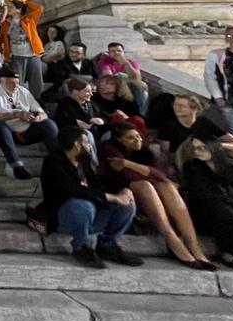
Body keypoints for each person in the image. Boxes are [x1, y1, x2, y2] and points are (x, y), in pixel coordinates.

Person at [101, 122, 215, 270]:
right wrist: (143, 171)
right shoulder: (109, 148)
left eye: (138, 136)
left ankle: (193, 245)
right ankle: (173, 241)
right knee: (145, 185)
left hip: (150, 189)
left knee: (166, 185)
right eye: (130, 138)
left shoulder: (144, 151)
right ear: (119, 140)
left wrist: (128, 163)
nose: (137, 141)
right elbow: (127, 176)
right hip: (122, 190)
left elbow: (161, 175)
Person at [39, 126, 143, 269]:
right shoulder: (53, 163)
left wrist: (124, 190)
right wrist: (114, 197)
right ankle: (81, 246)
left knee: (127, 203)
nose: (90, 146)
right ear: (77, 144)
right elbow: (75, 190)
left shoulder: (83, 162)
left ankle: (107, 244)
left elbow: (96, 185)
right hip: (64, 217)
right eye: (87, 142)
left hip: (90, 216)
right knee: (82, 204)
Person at [0, 66, 58, 179]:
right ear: (2, 81)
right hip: (3, 132)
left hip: (24, 130)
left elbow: (42, 113)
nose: (15, 86)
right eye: (12, 83)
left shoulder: (23, 91)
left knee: (49, 125)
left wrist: (36, 117)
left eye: (17, 83)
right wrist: (16, 114)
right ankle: (17, 166)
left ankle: (57, 161)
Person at [180, 137, 233, 269]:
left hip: (227, 205)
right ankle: (225, 251)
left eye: (202, 148)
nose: (198, 152)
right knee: (225, 212)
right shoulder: (192, 166)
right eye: (195, 149)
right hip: (205, 212)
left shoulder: (227, 167)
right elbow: (205, 195)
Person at [0, 0, 44, 98]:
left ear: (19, 9)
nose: (8, 9)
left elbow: (39, 8)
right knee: (18, 82)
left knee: (36, 81)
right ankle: (22, 102)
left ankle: (37, 101)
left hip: (33, 55)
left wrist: (26, 3)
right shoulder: (5, 24)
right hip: (16, 57)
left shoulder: (29, 19)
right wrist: (2, 51)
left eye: (11, 7)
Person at [53, 78, 106, 165]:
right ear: (75, 92)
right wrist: (77, 122)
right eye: (87, 91)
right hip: (73, 132)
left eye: (91, 91)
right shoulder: (65, 102)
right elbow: (60, 119)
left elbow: (104, 116)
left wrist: (101, 120)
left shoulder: (91, 104)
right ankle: (95, 164)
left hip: (94, 131)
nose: (91, 94)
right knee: (87, 135)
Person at [96, 43, 148, 115]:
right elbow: (109, 78)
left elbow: (137, 78)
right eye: (113, 51)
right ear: (109, 53)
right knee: (137, 85)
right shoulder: (105, 62)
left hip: (129, 85)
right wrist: (129, 79)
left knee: (141, 86)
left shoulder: (131, 62)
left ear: (124, 52)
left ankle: (142, 114)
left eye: (119, 51)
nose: (116, 53)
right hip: (115, 87)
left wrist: (125, 63)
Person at [203, 25, 233, 133]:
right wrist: (218, 96)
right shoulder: (216, 55)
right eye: (229, 36)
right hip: (228, 100)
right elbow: (210, 76)